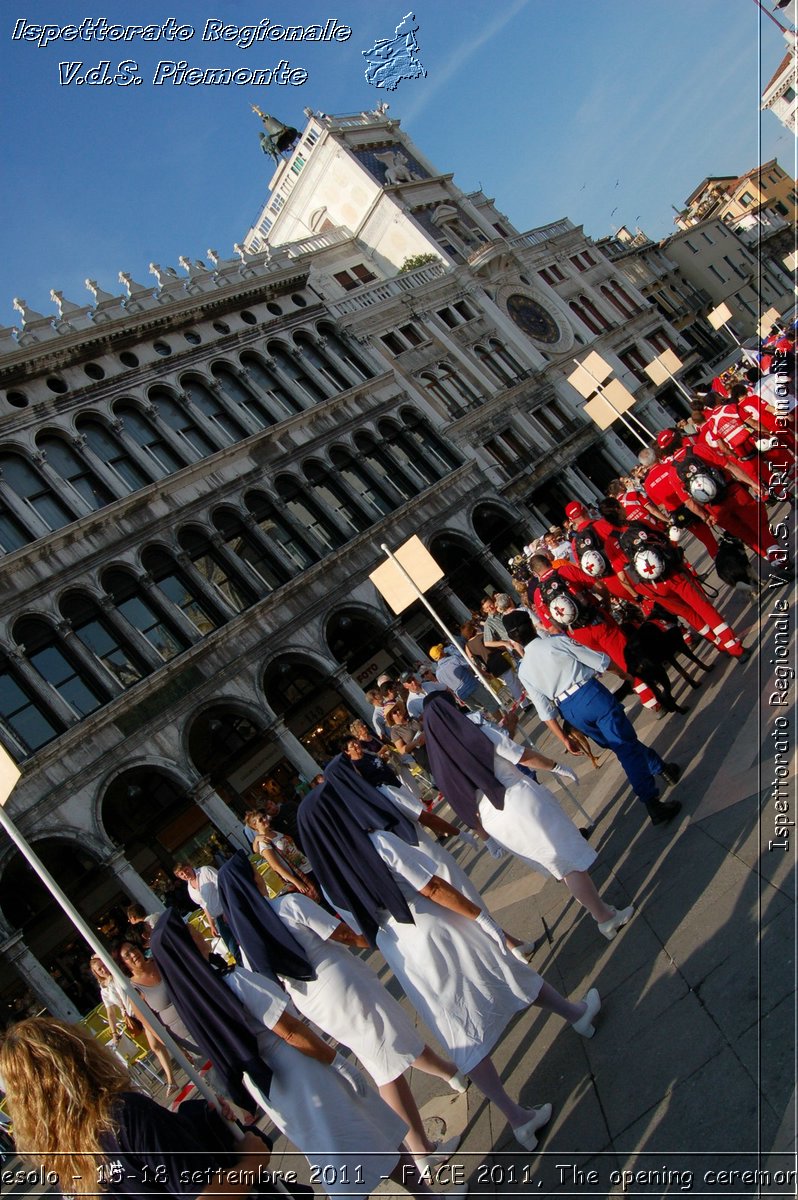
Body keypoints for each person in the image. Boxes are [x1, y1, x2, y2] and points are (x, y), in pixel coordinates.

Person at [298, 775, 603, 1153]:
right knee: (505, 971)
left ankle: (517, 1117)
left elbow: (358, 929)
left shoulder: (330, 885)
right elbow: (433, 888)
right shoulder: (378, 842)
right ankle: (575, 1014)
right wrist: (482, 918)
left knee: (457, 1026)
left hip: (401, 949)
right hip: (436, 924)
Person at [150, 910, 443, 1199]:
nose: (200, 932)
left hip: (275, 1089)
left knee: (352, 1145)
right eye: (191, 932)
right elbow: (289, 1030)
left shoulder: (195, 1005)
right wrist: (340, 1064)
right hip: (302, 1068)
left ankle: (427, 1196)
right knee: (359, 1139)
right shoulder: (231, 981)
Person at [218, 850, 464, 1172]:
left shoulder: (248, 944)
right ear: (252, 883)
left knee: (385, 1043)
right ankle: (420, 1150)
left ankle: (449, 1075)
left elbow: (269, 985)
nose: (261, 875)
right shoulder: (289, 905)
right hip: (342, 982)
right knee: (384, 1061)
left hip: (314, 1001)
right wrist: (377, 937)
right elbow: (343, 934)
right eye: (255, 872)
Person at [422, 693, 631, 938]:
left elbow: (462, 805)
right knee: (567, 861)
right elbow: (522, 755)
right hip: (518, 800)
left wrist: (485, 838)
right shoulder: (477, 733)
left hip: (495, 823)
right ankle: (604, 917)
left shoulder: (439, 763)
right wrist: (557, 766)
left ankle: (603, 912)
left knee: (558, 865)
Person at [0, 1017, 275, 1200]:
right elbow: (204, 1193)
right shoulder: (123, 1115)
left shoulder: (63, 1158)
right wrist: (252, 1161)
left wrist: (199, 1123)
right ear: (78, 1054)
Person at [517, 630, 681, 827]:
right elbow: (599, 660)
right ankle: (652, 802)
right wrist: (624, 674)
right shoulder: (555, 642)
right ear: (531, 627)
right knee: (625, 748)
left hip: (570, 711)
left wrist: (564, 738)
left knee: (620, 745)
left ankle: (661, 768)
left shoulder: (523, 671)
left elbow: (544, 711)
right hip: (590, 694)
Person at [91, 954, 177, 1091]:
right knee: (160, 1043)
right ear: (96, 973)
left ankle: (173, 1078)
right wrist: (114, 1033)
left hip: (143, 1009)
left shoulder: (117, 974)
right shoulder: (104, 989)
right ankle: (176, 1074)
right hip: (133, 1015)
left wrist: (98, 954)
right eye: (99, 969)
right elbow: (110, 1012)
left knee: (157, 1043)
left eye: (103, 966)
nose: (103, 970)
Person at [244, 809, 320, 900]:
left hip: (307, 866)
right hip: (300, 875)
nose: (265, 819)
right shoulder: (264, 843)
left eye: (264, 816)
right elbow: (275, 866)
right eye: (260, 820)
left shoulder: (274, 832)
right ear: (254, 826)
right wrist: (297, 882)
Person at [173, 862, 238, 961]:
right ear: (180, 877)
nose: (185, 874)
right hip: (218, 919)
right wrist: (211, 925)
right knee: (233, 949)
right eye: (181, 874)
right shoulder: (190, 890)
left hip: (229, 911)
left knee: (243, 939)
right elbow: (204, 906)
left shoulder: (205, 871)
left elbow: (223, 886)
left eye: (185, 870)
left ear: (190, 866)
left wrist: (226, 909)